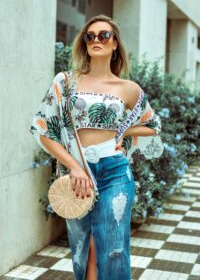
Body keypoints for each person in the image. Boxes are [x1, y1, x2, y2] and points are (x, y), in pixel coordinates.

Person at [30, 14, 164, 280]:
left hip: (114, 171)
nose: (96, 40)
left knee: (113, 247)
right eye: (90, 36)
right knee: (84, 246)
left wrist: (124, 132)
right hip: (77, 171)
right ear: (84, 43)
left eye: (104, 35)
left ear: (115, 44)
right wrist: (74, 167)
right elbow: (42, 129)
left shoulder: (128, 88)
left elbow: (154, 125)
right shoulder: (66, 82)